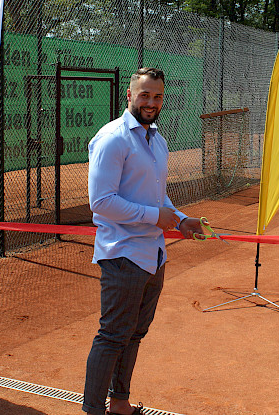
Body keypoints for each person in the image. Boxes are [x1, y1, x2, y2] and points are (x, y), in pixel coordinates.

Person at [83, 67, 203, 415]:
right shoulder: (113, 138)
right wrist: (155, 217)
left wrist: (181, 220)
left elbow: (158, 197)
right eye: (145, 94)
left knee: (134, 334)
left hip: (153, 254)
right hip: (123, 255)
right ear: (129, 96)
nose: (151, 102)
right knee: (112, 336)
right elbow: (101, 201)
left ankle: (119, 403)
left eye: (157, 96)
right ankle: (92, 410)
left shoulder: (157, 140)